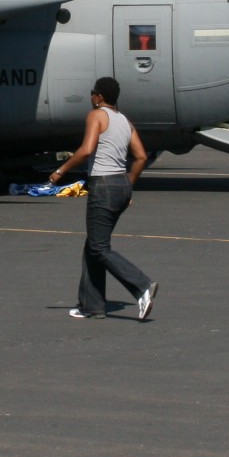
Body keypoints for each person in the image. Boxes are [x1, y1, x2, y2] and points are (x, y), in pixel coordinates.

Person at [48, 77, 157, 320]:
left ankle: (142, 286)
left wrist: (60, 171)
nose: (90, 98)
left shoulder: (96, 115)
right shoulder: (124, 121)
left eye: (92, 94)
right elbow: (140, 157)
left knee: (98, 247)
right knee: (94, 246)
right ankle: (92, 306)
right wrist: (127, 187)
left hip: (104, 185)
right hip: (120, 184)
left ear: (99, 97)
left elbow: (86, 150)